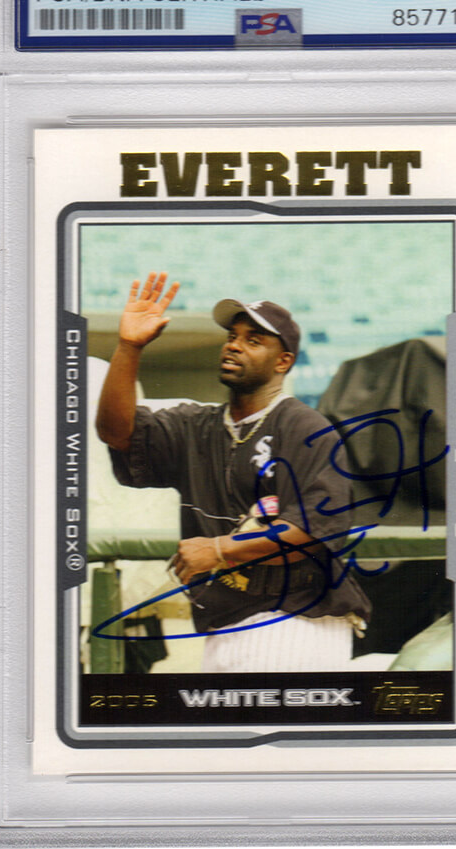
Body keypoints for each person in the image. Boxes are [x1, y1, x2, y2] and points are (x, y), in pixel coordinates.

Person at [96, 271, 370, 672]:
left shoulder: (306, 428)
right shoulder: (197, 425)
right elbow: (116, 432)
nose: (234, 345)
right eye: (232, 336)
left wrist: (220, 549)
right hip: (227, 618)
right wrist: (129, 347)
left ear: (283, 361)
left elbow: (313, 532)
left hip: (297, 617)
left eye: (253, 340)